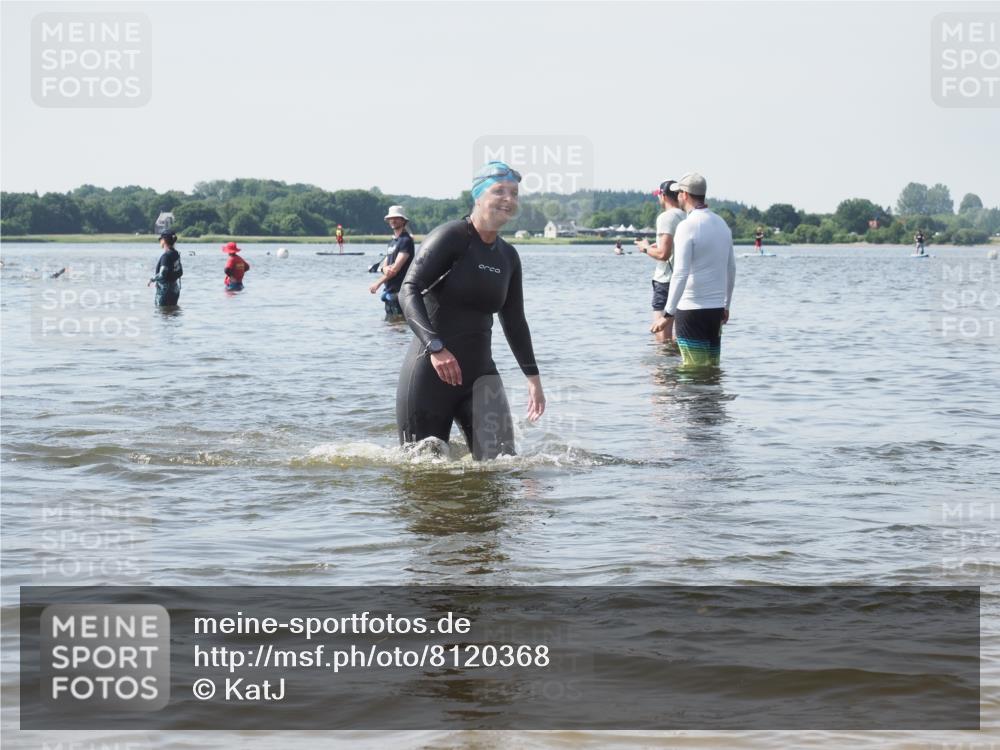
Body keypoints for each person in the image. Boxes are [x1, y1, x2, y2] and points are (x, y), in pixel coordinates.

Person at [396, 160, 545, 460]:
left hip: (481, 377)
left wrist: (533, 378)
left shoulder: (508, 256)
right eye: (499, 191)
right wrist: (435, 347)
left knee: (503, 463)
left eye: (514, 193)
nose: (509, 199)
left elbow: (515, 321)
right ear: (478, 195)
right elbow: (408, 289)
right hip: (430, 374)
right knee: (424, 471)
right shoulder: (451, 237)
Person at [651, 172, 735, 366]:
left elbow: (680, 274)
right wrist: (726, 306)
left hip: (691, 310)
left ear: (685, 195)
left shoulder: (687, 226)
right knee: (711, 367)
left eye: (679, 193)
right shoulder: (722, 224)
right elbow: (731, 269)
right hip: (716, 310)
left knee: (692, 369)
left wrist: (668, 314)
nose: (678, 196)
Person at [636, 180, 685, 342]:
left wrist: (645, 248)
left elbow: (663, 254)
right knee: (679, 337)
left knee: (662, 337)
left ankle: (663, 359)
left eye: (659, 195)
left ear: (663, 196)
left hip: (666, 281)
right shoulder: (686, 216)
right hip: (684, 280)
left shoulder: (666, 217)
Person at [369, 205, 415, 319]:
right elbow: (385, 266)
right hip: (389, 291)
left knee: (399, 325)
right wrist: (383, 269)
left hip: (400, 292)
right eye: (391, 218)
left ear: (403, 221)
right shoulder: (392, 242)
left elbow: (394, 270)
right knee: (391, 326)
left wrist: (377, 283)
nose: (393, 220)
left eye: (396, 218)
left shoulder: (406, 241)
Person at [148, 230, 183, 306]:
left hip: (164, 292)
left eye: (160, 239)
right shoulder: (176, 254)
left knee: (161, 311)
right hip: (175, 290)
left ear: (164, 240)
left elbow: (162, 274)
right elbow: (180, 272)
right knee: (172, 311)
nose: (160, 242)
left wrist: (152, 279)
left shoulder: (166, 256)